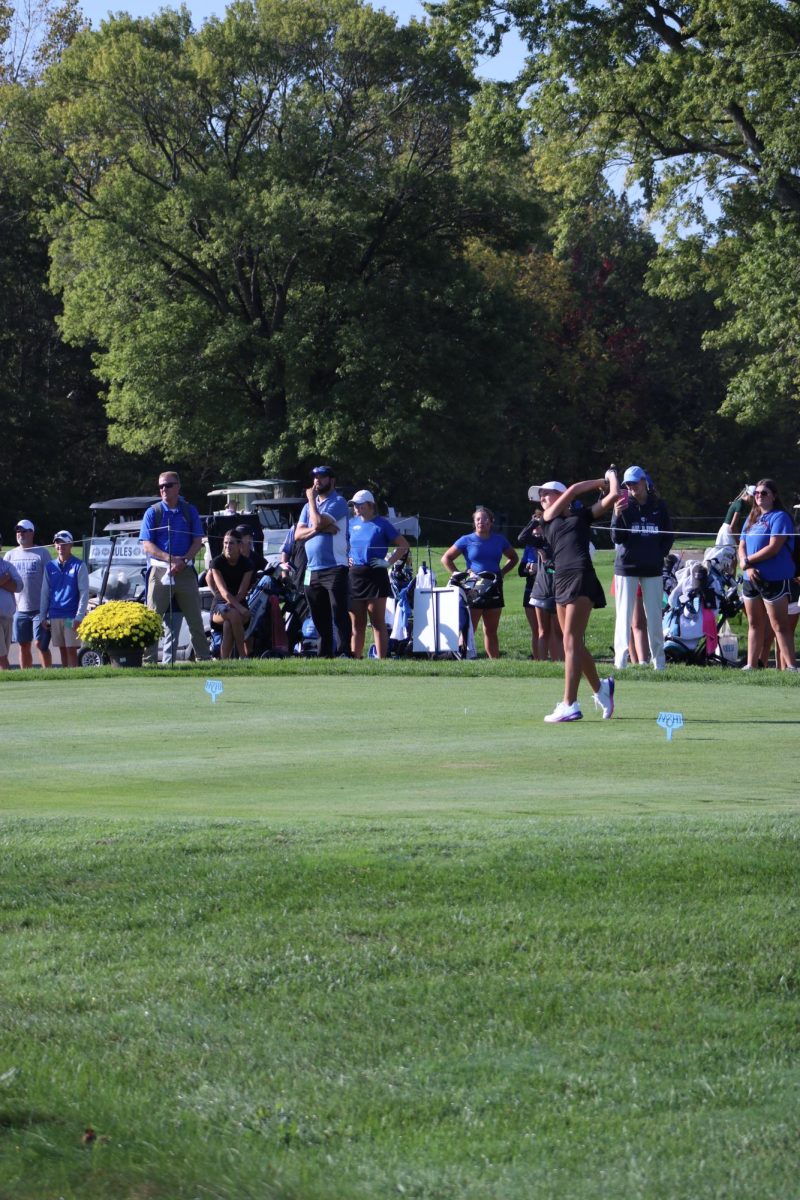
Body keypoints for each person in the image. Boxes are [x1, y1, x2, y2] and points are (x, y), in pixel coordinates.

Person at [538, 473, 620, 722]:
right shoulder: (547, 519)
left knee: (571, 641)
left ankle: (570, 704)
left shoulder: (581, 516)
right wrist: (600, 481)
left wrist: (612, 477)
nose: (542, 499)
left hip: (581, 576)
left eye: (546, 494)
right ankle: (601, 688)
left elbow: (614, 496)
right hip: (560, 580)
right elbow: (574, 489)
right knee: (570, 642)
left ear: (559, 495)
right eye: (540, 497)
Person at [140, 470, 212, 663]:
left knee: (195, 620)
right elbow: (147, 545)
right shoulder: (153, 512)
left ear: (178, 487)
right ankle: (148, 662)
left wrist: (184, 560)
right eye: (161, 486)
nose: (164, 489)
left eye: (168, 485)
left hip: (185, 571)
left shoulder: (190, 511)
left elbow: (197, 541)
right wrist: (171, 559)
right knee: (153, 621)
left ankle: (204, 660)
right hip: (160, 572)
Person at [611, 465, 673, 671]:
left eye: (634, 482)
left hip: (652, 568)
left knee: (655, 617)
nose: (631, 487)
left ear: (644, 482)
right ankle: (620, 663)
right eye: (627, 484)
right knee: (624, 617)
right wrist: (616, 515)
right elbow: (616, 537)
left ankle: (659, 663)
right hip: (626, 568)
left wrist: (657, 556)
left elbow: (668, 536)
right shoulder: (623, 505)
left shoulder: (659, 505)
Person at [442, 507, 518, 658]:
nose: (480, 522)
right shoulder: (466, 540)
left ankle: (494, 663)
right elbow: (446, 558)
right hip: (474, 586)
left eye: (484, 519)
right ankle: (461, 657)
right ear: (474, 522)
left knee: (491, 630)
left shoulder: (499, 540)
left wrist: (502, 573)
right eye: (477, 519)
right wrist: (461, 575)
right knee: (469, 627)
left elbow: (514, 558)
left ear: (491, 522)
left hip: (494, 586)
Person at [738, 478, 797, 671]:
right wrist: (745, 566)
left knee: (779, 625)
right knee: (754, 624)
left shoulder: (780, 517)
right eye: (756, 493)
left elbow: (774, 548)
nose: (759, 496)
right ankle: (751, 665)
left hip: (774, 579)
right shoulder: (751, 518)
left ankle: (791, 667)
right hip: (750, 578)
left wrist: (749, 561)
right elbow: (742, 545)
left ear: (774, 496)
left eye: (764, 493)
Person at [294, 465, 351, 657]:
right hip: (313, 569)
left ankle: (344, 652)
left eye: (322, 477)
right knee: (319, 615)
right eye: (315, 477)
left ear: (332, 481)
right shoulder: (306, 508)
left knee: (339, 611)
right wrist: (321, 529)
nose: (317, 480)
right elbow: (298, 535)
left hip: (335, 567)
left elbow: (316, 522)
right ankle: (325, 654)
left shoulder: (339, 502)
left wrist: (311, 500)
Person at [347, 489, 410, 658]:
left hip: (376, 574)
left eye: (360, 505)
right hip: (355, 575)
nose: (357, 508)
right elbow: (343, 545)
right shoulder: (351, 524)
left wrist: (388, 562)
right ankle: (356, 660)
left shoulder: (382, 524)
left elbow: (403, 545)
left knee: (377, 622)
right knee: (357, 624)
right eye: (354, 505)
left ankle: (382, 660)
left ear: (370, 505)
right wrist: (346, 557)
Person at [518, 491, 563, 662]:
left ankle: (561, 663)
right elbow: (522, 537)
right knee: (542, 631)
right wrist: (535, 520)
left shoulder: (560, 538)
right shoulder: (540, 540)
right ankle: (542, 665)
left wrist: (546, 560)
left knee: (559, 632)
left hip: (559, 588)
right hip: (542, 588)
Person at [4, 519, 52, 669]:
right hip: (19, 609)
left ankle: (48, 674)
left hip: (40, 608)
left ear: (32, 533)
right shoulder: (10, 555)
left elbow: (51, 580)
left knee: (40, 644)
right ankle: (27, 675)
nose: (20, 534)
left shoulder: (42, 553)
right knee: (23, 644)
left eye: (24, 531)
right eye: (18, 531)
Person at [40, 530, 89, 668]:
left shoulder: (79, 565)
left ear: (71, 544)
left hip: (71, 617)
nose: (60, 546)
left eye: (63, 543)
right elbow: (45, 592)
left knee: (71, 649)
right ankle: (66, 677)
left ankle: (73, 678)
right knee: (62, 648)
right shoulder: (50, 566)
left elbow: (84, 592)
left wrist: (79, 616)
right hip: (55, 615)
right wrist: (43, 615)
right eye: (57, 543)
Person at [208, 530, 254, 659]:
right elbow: (223, 591)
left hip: (240, 603)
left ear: (240, 546)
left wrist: (237, 605)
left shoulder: (247, 564)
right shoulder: (216, 563)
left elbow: (242, 592)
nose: (227, 546)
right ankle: (243, 656)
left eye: (231, 543)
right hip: (220, 606)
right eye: (225, 543)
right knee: (233, 614)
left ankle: (224, 662)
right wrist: (239, 608)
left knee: (229, 624)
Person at [0, 545, 23, 670]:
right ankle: (9, 677)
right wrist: (5, 578)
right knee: (2, 657)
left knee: (4, 653)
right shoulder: (7, 571)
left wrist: (3, 582)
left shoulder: (7, 566)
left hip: (8, 616)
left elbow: (19, 586)